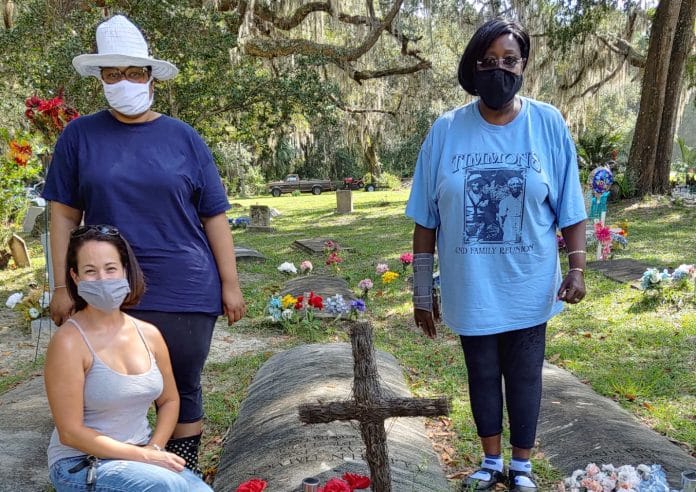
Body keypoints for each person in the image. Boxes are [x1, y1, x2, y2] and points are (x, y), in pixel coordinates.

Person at [42, 14, 246, 473]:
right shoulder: (79, 137)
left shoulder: (183, 138)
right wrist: (60, 286)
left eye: (134, 72)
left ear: (151, 76)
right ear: (100, 79)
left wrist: (230, 284)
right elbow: (62, 215)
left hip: (186, 287)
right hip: (106, 287)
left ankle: (182, 473)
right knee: (111, 389)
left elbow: (214, 214)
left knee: (182, 389)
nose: (124, 82)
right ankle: (122, 472)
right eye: (112, 74)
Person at [406, 18, 587, 492]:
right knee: (482, 372)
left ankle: (521, 467)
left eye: (510, 61)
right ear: (473, 67)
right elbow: (425, 218)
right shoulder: (446, 130)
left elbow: (570, 203)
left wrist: (578, 267)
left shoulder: (546, 123)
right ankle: (490, 462)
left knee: (525, 375)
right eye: (488, 62)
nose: (499, 70)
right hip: (471, 283)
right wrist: (422, 291)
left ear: (523, 64)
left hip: (527, 281)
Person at [45, 225, 211, 491]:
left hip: (140, 456)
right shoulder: (68, 343)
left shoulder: (149, 334)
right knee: (166, 486)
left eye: (111, 269)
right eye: (90, 271)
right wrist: (145, 457)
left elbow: (169, 399)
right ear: (75, 277)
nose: (102, 279)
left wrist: (154, 447)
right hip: (82, 464)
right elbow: (70, 432)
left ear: (125, 270)